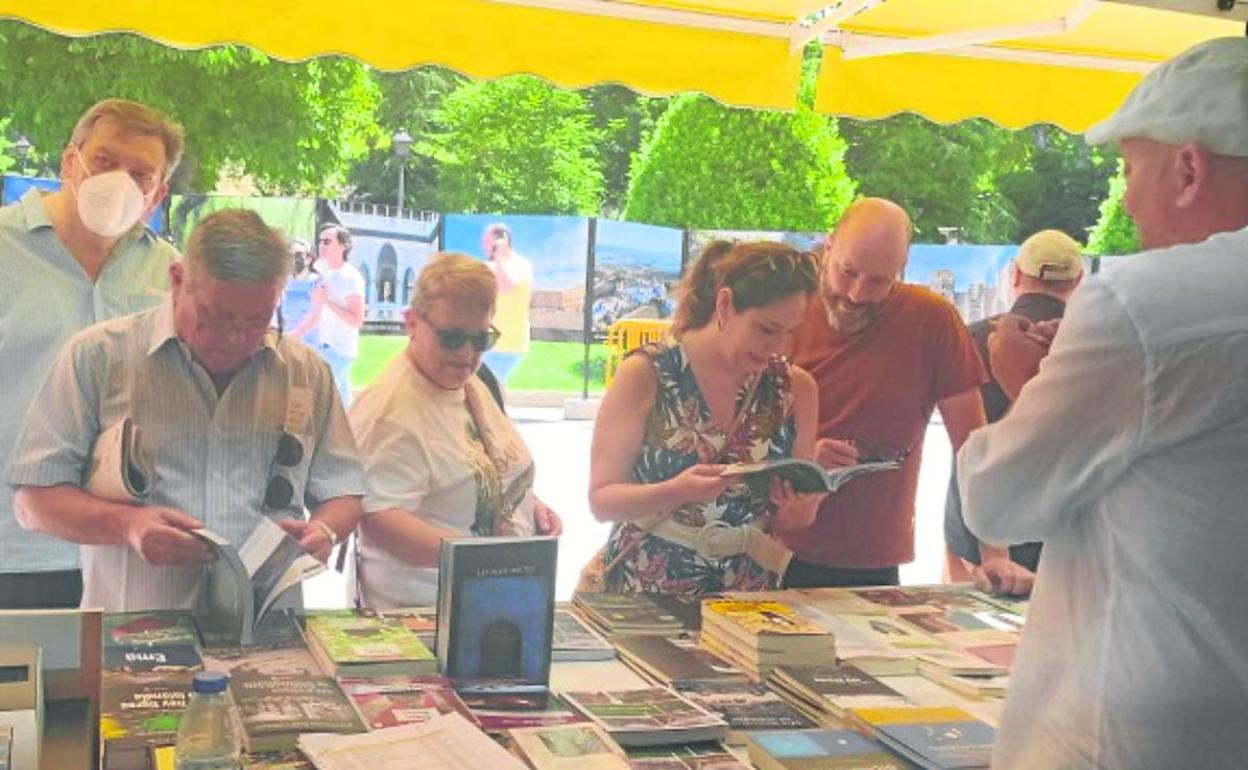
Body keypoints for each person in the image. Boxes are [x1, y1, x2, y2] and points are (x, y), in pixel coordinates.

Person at [959, 38, 1248, 769]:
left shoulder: (1145, 303)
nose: (1123, 197)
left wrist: (1023, 385)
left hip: (1128, 726)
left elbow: (997, 501)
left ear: (1189, 167)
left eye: (1128, 169)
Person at [9, 209, 366, 612]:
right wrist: (127, 526)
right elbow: (34, 501)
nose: (235, 337)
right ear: (177, 280)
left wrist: (324, 530)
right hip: (137, 639)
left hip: (269, 635)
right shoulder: (99, 358)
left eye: (257, 320)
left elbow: (344, 492)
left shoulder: (305, 372)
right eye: (217, 317)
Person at [0, 99, 184, 609]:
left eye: (140, 173)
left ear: (158, 193)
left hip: (128, 553)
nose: (119, 181)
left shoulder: (171, 274)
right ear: (69, 162)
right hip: (14, 554)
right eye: (104, 162)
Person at [588, 241, 824, 597]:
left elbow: (798, 519)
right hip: (648, 594)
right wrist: (677, 490)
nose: (778, 347)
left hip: (747, 603)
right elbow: (602, 500)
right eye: (765, 329)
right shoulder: (648, 374)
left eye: (790, 332)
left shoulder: (796, 389)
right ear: (725, 304)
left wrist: (800, 509)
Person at [785, 198, 988, 588]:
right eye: (847, 272)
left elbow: (973, 448)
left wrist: (993, 554)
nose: (857, 294)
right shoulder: (784, 307)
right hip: (764, 548)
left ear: (904, 268)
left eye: (879, 281)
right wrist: (801, 460)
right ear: (828, 247)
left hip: (869, 561)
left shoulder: (931, 321)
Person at [347, 253, 562, 610]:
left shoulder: (470, 380)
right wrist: (491, 560)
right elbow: (377, 518)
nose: (466, 353)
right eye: (451, 338)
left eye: (481, 340)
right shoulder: (391, 410)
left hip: (487, 606)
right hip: (426, 618)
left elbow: (479, 465)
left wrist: (528, 503)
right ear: (411, 322)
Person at [943, 229, 1084, 595]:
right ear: (1079, 280)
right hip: (1058, 530)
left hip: (974, 523)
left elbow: (960, 444)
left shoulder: (970, 338)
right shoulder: (1091, 348)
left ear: (1015, 275)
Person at [290, 223, 365, 405]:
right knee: (342, 401)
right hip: (324, 348)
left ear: (343, 245)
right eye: (320, 241)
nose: (322, 245)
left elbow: (357, 320)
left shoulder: (350, 277)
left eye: (327, 241)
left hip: (339, 350)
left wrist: (327, 301)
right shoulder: (328, 275)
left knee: (322, 400)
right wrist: (290, 338)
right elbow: (316, 317)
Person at [479, 222, 532, 387]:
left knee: (488, 390)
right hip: (489, 341)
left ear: (502, 240)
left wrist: (500, 255)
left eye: (487, 241)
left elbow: (507, 285)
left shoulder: (521, 265)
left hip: (509, 342)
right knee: (485, 391)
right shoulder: (490, 267)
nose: (483, 245)